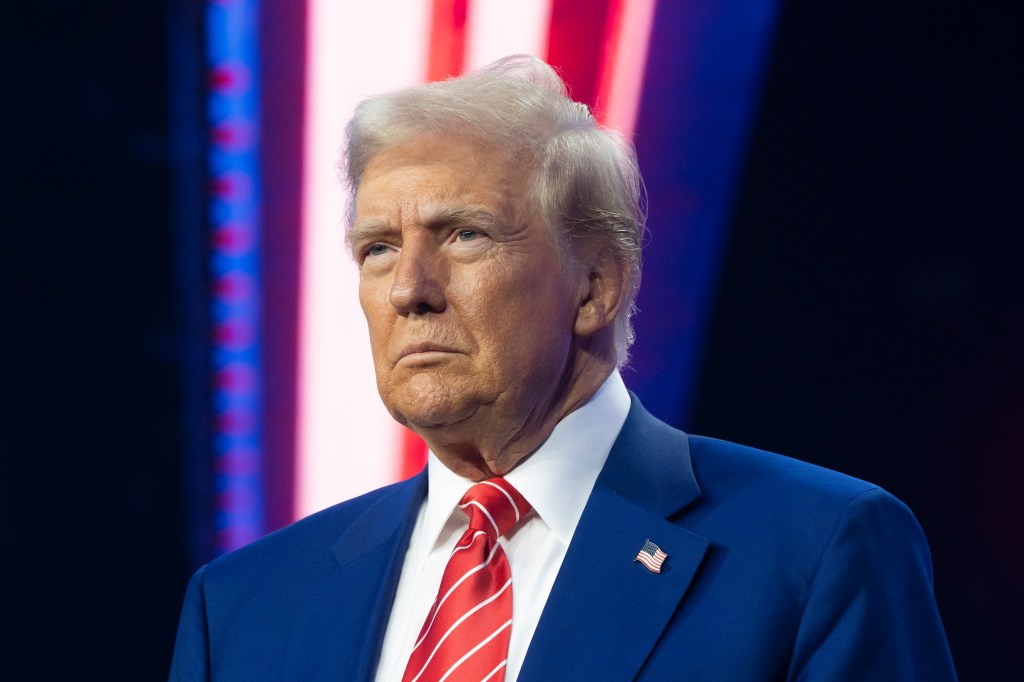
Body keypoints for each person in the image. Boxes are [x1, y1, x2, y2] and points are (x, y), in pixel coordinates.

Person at [170, 55, 956, 680]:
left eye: (464, 235)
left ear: (595, 286)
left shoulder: (816, 552)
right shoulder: (244, 605)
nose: (409, 288)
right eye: (378, 248)